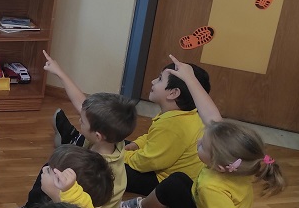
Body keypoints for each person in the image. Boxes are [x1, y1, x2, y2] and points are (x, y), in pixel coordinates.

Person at [116, 56, 285, 208]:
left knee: (175, 183)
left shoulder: (213, 188)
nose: (198, 143)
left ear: (219, 164)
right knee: (179, 183)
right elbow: (211, 115)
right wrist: (189, 77)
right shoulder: (237, 164)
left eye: (202, 146)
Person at [10, 51, 135, 208]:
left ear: (98, 135)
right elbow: (83, 105)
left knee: (53, 168)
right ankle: (67, 134)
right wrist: (59, 73)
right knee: (64, 155)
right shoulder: (111, 138)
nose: (79, 118)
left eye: (82, 121)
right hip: (80, 199)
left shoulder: (96, 171)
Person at [56, 62, 211, 197]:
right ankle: (77, 138)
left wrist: (123, 155)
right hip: (157, 164)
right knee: (110, 137)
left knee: (101, 166)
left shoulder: (174, 126)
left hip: (159, 179)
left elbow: (149, 161)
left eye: (159, 79)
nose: (153, 81)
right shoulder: (181, 114)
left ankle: (75, 140)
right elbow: (152, 138)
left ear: (173, 93)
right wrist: (136, 145)